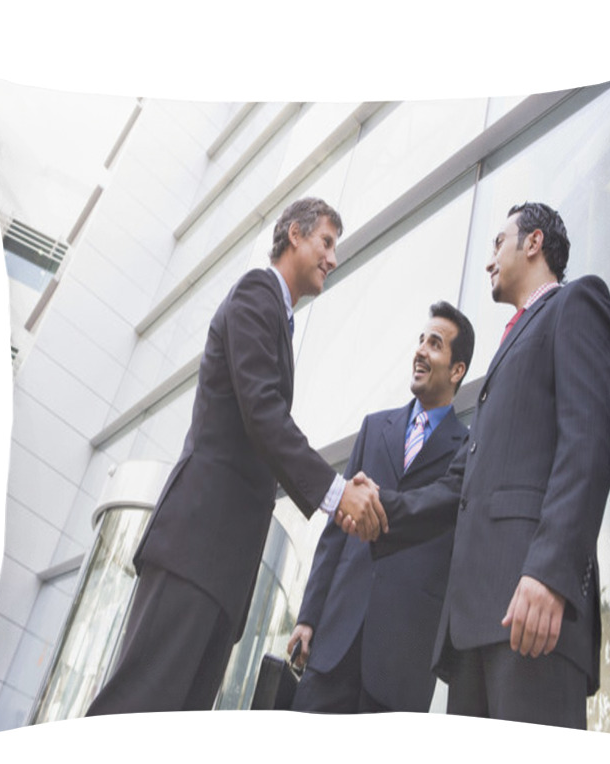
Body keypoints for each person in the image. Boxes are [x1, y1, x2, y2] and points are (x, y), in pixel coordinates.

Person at [86, 198, 387, 716]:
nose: (333, 259)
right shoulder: (256, 294)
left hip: (222, 568)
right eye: (326, 242)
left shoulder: (280, 317)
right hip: (195, 550)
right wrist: (338, 494)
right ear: (294, 234)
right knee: (137, 709)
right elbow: (263, 413)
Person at [347, 202, 610, 729]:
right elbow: (462, 485)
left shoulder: (575, 304)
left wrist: (549, 573)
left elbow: (588, 442)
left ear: (533, 243)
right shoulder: (510, 343)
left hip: (532, 610)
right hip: (474, 629)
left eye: (498, 243)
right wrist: (380, 507)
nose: (490, 259)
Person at [286, 301, 474, 713]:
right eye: (420, 340)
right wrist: (308, 616)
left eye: (435, 344)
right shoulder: (374, 427)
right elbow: (335, 534)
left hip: (403, 659)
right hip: (334, 638)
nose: (421, 350)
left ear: (457, 370)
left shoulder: (468, 450)